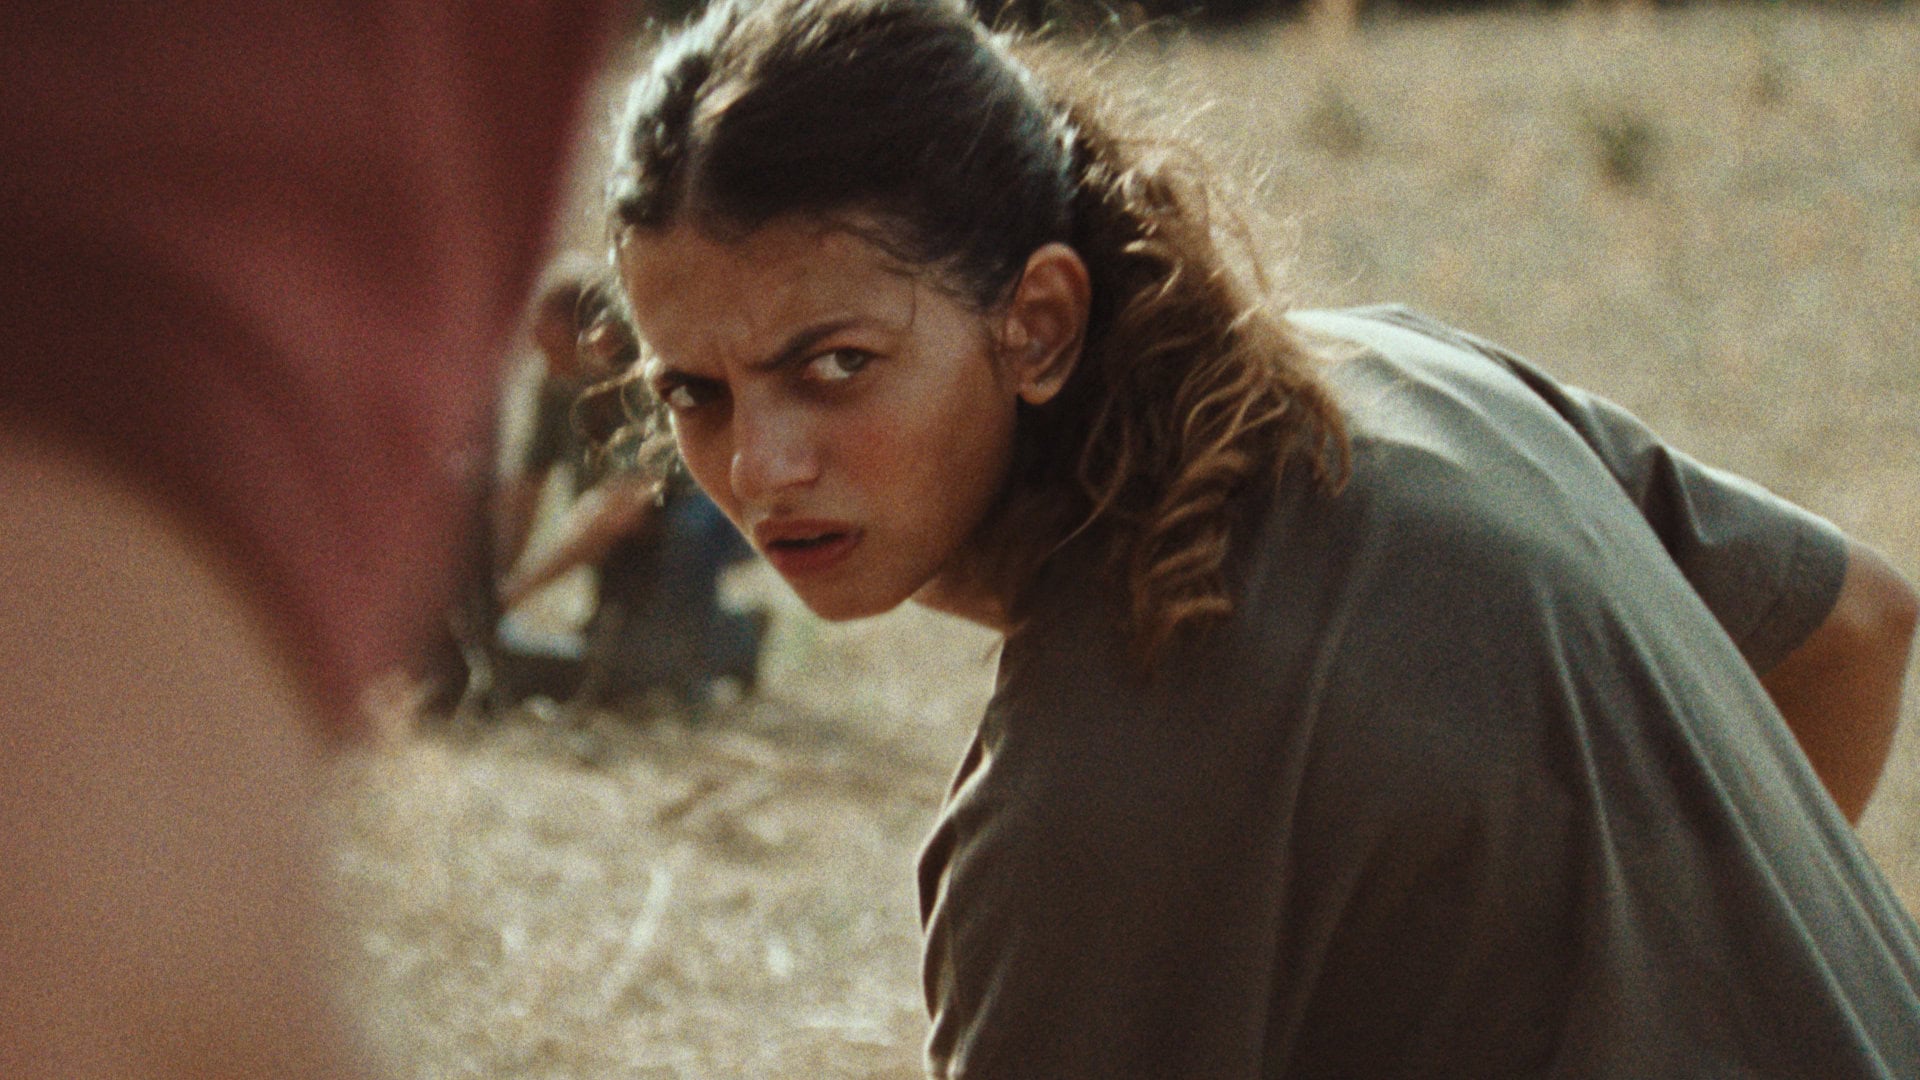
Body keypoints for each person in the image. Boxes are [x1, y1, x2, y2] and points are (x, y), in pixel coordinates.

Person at [600, 0, 1920, 1076]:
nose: (758, 467)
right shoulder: (1407, 376)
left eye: (834, 363)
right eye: (694, 395)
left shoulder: (1081, 807)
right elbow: (1855, 621)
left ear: (1040, 323)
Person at [0, 2, 618, 1076]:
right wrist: (504, 595)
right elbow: (101, 980)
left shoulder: (630, 382)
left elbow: (623, 510)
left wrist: (526, 591)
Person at [491, 267, 767, 712]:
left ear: (595, 337)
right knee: (612, 656)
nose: (546, 365)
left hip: (715, 517)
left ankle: (726, 645)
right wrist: (495, 585)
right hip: (636, 524)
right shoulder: (557, 384)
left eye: (554, 348)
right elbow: (525, 492)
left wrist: (517, 591)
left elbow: (623, 504)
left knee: (651, 670)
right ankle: (704, 636)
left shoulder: (652, 375)